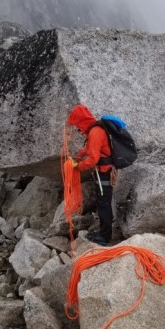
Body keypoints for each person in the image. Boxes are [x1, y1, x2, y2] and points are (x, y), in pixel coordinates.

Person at [66, 104, 114, 246]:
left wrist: (78, 166)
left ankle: (105, 237)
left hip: (104, 173)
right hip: (103, 172)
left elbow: (93, 158)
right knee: (102, 202)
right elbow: (88, 149)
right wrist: (76, 157)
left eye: (78, 125)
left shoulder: (95, 132)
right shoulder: (95, 131)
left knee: (104, 204)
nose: (78, 129)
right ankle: (103, 232)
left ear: (82, 121)